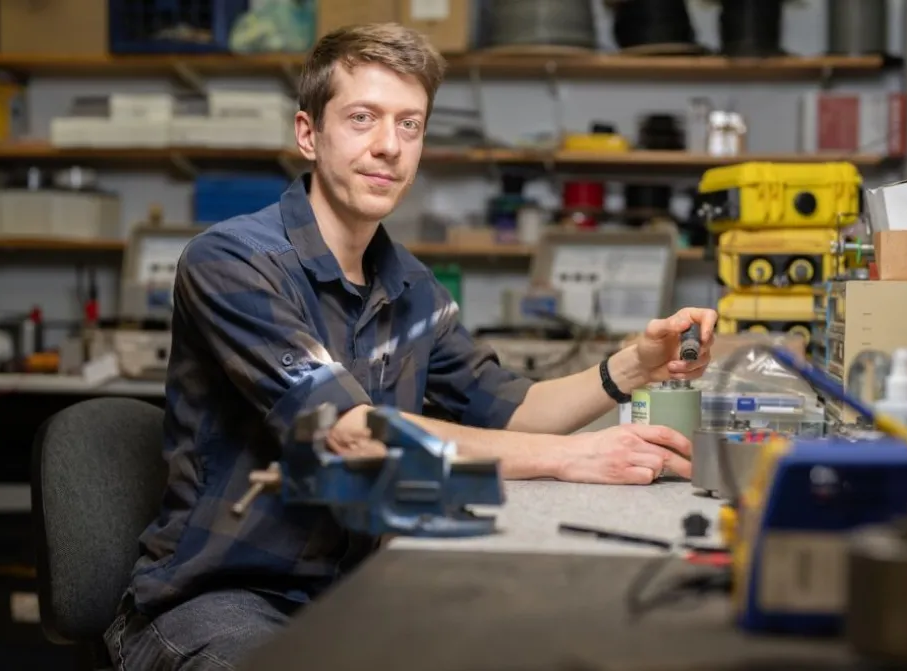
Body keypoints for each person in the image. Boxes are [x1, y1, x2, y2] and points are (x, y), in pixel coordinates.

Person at [106, 22, 718, 671]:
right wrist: (572, 457)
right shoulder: (234, 262)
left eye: (410, 125)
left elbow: (511, 409)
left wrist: (635, 363)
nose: (388, 147)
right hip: (219, 600)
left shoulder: (411, 287)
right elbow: (350, 435)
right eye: (362, 118)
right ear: (308, 133)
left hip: (351, 592)